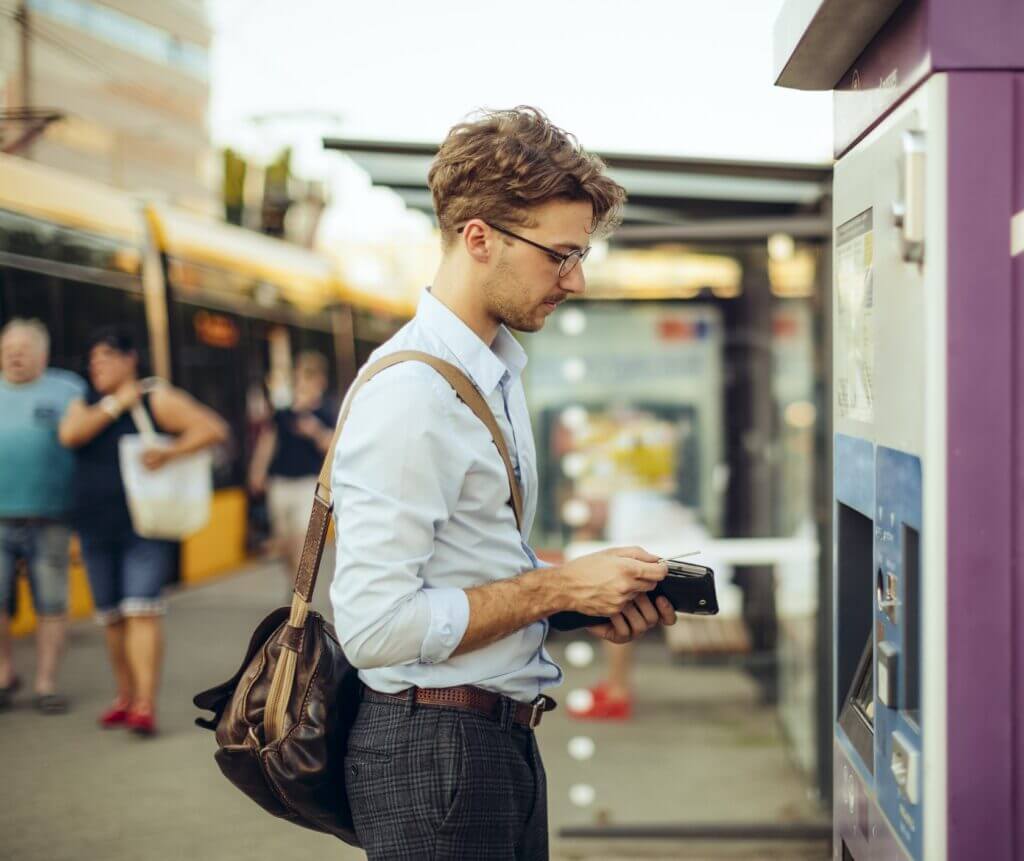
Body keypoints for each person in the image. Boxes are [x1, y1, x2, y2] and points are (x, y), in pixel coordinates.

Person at [331, 106, 677, 860]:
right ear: (479, 237)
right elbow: (372, 625)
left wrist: (581, 601)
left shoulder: (491, 373)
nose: (577, 279)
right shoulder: (414, 394)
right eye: (560, 254)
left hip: (486, 744)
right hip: (436, 754)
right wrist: (554, 590)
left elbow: (466, 572)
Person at [59, 327, 227, 735]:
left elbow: (212, 428)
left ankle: (144, 704)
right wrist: (117, 404)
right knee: (112, 616)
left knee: (141, 610)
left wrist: (171, 452)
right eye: (92, 359)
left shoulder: (157, 398)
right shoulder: (87, 403)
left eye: (106, 356)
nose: (97, 364)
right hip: (96, 525)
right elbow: (70, 435)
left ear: (130, 358)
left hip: (145, 526)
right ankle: (125, 695)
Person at [0, 319, 86, 714]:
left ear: (43, 355)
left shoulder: (68, 388)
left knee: (51, 603)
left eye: (23, 348)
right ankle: (4, 676)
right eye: (8, 348)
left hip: (51, 517)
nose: (14, 354)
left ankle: (46, 684)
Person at [248, 352, 336, 584]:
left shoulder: (326, 413)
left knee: (301, 541)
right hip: (280, 482)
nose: (304, 383)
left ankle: (300, 601)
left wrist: (315, 430)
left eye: (310, 377)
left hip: (310, 485)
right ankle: (295, 588)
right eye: (301, 377)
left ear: (321, 381)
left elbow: (334, 445)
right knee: (285, 543)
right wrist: (258, 470)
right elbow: (268, 441)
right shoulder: (284, 413)